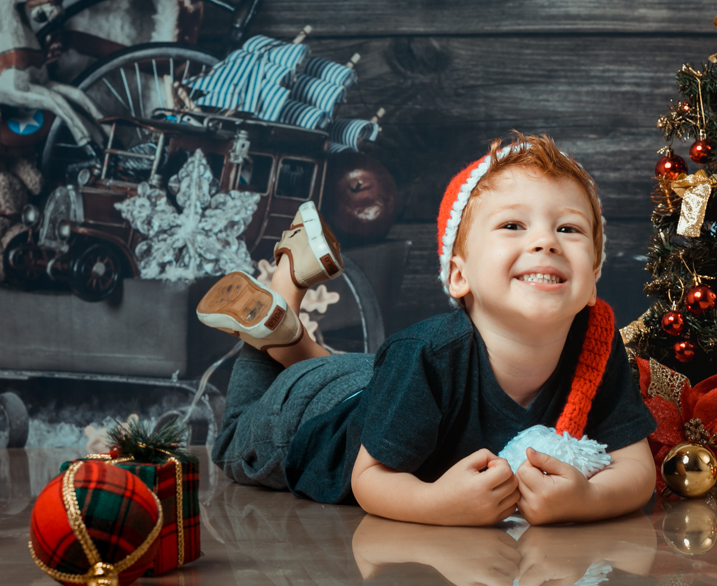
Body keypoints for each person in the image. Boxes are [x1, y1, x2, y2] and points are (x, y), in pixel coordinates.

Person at [197, 132, 656, 526]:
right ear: (459, 276)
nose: (545, 241)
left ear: (593, 278)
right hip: (310, 415)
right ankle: (277, 301)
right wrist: (437, 503)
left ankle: (292, 323)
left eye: (569, 229)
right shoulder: (425, 355)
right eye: (513, 224)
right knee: (236, 437)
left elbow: (638, 469)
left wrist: (589, 499)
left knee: (379, 379)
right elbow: (370, 478)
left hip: (381, 385)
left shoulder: (598, 352)